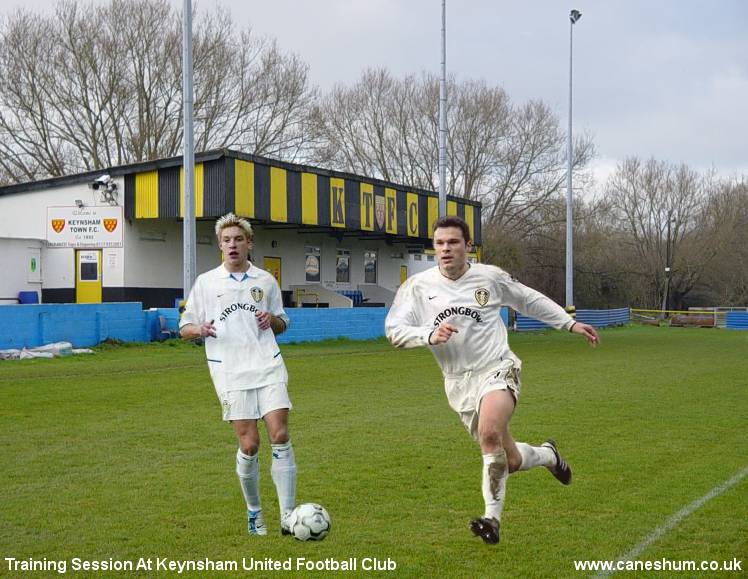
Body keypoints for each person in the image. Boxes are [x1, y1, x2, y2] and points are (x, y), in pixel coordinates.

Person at [385, 215, 599, 545]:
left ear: (468, 246)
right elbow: (393, 330)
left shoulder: (490, 278)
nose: (445, 249)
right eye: (439, 243)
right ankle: (548, 456)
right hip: (458, 382)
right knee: (508, 460)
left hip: (497, 367)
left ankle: (491, 519)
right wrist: (428, 334)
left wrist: (567, 323)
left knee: (489, 433)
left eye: (453, 242)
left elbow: (528, 299)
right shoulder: (417, 287)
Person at [179, 213, 296, 537]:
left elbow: (283, 324)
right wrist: (198, 329)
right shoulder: (206, 283)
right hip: (229, 371)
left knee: (280, 434)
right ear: (220, 245)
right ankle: (255, 513)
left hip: (268, 364)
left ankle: (288, 516)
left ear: (249, 244)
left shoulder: (265, 280)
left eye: (238, 239)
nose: (232, 245)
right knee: (250, 444)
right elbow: (183, 328)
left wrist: (271, 319)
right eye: (227, 240)